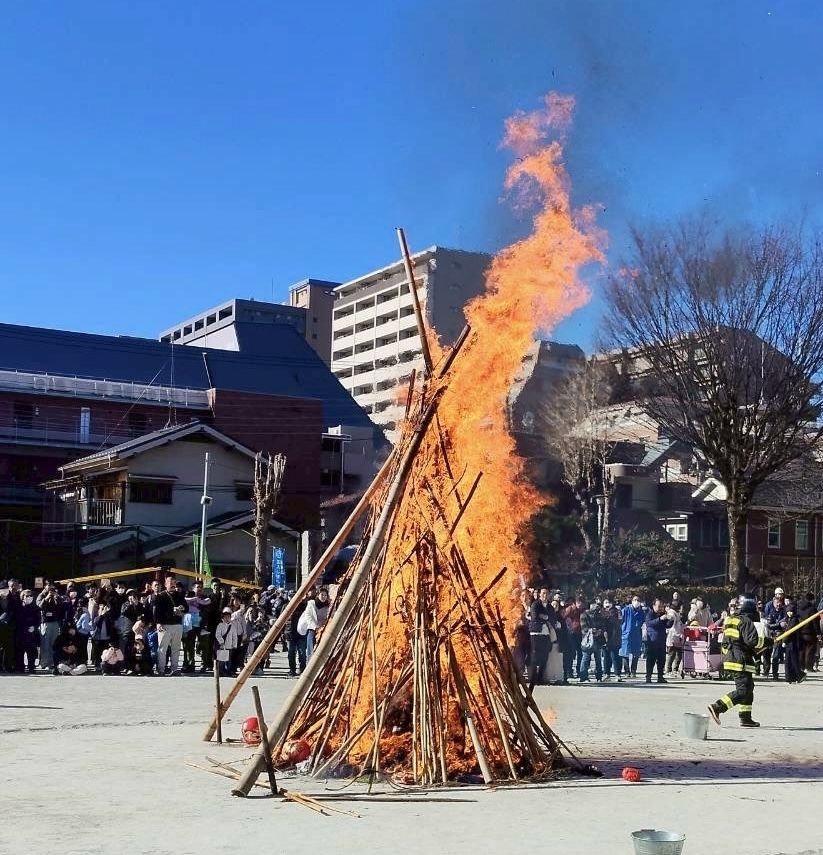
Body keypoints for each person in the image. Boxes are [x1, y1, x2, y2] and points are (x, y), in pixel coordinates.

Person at [708, 594, 772, 728]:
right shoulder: (745, 621)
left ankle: (745, 718)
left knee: (749, 688)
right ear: (750, 606)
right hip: (740, 661)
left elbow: (731, 641)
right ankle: (718, 707)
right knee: (743, 690)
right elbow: (753, 641)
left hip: (733, 658)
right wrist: (768, 641)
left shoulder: (731, 619)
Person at [644, 599, 672, 683]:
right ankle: (648, 676)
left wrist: (671, 620)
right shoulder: (650, 614)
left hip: (661, 640)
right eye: (659, 606)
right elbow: (649, 623)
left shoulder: (663, 614)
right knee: (651, 659)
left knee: (661, 660)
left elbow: (667, 625)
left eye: (662, 606)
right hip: (652, 640)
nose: (660, 608)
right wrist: (660, 619)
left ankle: (660, 677)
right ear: (653, 606)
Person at [301, 587, 330, 663]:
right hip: (312, 629)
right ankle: (309, 664)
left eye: (325, 595)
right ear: (318, 595)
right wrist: (315, 626)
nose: (323, 597)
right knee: (311, 650)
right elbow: (308, 616)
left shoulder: (328, 605)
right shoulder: (312, 603)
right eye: (322, 595)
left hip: (324, 629)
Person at [579, 602, 606, 683]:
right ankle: (583, 677)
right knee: (586, 658)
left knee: (598, 659)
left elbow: (603, 625)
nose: (597, 607)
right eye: (595, 605)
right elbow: (584, 627)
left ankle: (599, 676)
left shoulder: (599, 615)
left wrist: (600, 631)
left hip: (598, 640)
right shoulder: (584, 615)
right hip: (587, 640)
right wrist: (592, 631)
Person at [15, 589, 41, 674]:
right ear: (22, 597)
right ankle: (20, 667)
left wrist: (35, 627)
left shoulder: (36, 608)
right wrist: (23, 628)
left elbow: (39, 620)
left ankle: (31, 667)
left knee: (32, 652)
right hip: (21, 632)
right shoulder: (18, 608)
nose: (29, 597)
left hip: (32, 633)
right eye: (27, 596)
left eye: (31, 596)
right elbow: (17, 620)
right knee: (20, 651)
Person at [620, 595, 645, 678]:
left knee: (636, 654)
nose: (636, 602)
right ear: (632, 601)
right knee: (625, 653)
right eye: (635, 600)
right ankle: (627, 671)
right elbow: (621, 620)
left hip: (637, 635)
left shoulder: (641, 611)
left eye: (638, 600)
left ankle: (633, 671)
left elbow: (643, 622)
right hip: (626, 634)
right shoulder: (626, 610)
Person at [601, 599, 623, 681]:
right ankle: (606, 673)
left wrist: (609, 616)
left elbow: (619, 622)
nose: (607, 604)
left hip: (614, 637)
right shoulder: (601, 612)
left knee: (614, 657)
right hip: (604, 637)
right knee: (606, 657)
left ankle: (617, 674)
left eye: (609, 602)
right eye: (605, 602)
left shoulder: (616, 611)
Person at [214, 607, 238, 676]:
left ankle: (227, 671)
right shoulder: (220, 625)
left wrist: (234, 645)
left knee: (228, 660)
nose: (227, 619)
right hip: (222, 646)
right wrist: (221, 642)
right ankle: (221, 671)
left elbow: (234, 636)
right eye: (225, 617)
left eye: (228, 617)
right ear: (222, 618)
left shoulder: (232, 626)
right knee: (221, 659)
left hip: (229, 646)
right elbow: (218, 634)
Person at [665, 603, 685, 675]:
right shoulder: (672, 614)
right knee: (672, 654)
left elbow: (679, 625)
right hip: (673, 637)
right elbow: (672, 627)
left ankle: (675, 669)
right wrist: (678, 634)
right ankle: (668, 670)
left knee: (678, 655)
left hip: (678, 638)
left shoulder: (677, 614)